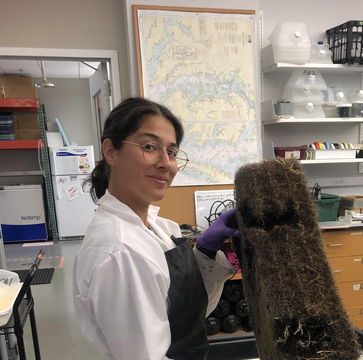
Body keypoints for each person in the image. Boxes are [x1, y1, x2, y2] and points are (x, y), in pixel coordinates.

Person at [73, 97, 239, 360]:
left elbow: (183, 315)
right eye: (150, 147)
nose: (166, 163)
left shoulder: (156, 226)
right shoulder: (121, 251)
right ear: (110, 151)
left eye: (171, 152)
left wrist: (205, 250)